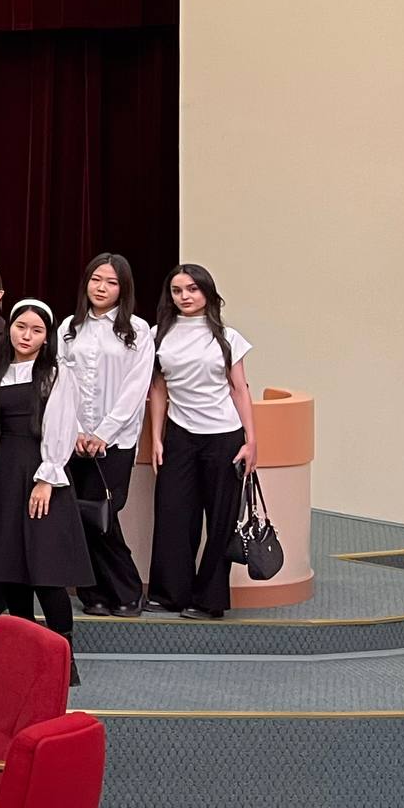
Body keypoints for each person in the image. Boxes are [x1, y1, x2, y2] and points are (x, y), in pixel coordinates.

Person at [0, 301, 94, 678]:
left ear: (47, 337)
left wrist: (47, 477)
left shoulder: (55, 374)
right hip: (5, 473)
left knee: (46, 571)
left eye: (36, 330)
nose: (26, 336)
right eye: (20, 327)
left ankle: (63, 659)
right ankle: (28, 655)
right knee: (10, 570)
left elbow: (62, 424)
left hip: (42, 471)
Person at [147, 264, 258, 620]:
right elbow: (158, 389)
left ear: (207, 292)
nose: (185, 296)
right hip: (180, 434)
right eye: (177, 290)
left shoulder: (227, 337)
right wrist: (156, 438)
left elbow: (239, 389)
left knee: (221, 519)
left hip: (224, 436)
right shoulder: (158, 335)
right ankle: (170, 594)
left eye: (192, 289)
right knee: (173, 514)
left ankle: (210, 600)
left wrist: (251, 440)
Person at [60, 253, 156, 618]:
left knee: (104, 514)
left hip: (115, 440)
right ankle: (93, 594)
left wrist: (103, 432)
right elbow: (61, 382)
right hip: (73, 439)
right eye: (96, 280)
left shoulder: (138, 331)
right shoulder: (70, 327)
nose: (101, 288)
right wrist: (74, 429)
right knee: (79, 516)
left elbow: (136, 387)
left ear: (123, 288)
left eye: (111, 282)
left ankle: (128, 590)